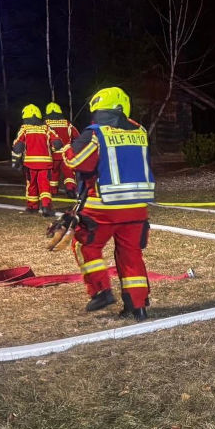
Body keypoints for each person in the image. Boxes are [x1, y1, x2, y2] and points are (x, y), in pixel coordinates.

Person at [62, 86, 155, 321]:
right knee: (131, 254)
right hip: (137, 208)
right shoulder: (140, 130)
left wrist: (64, 150)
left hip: (104, 206)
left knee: (85, 245)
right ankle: (138, 306)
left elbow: (78, 162)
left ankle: (101, 290)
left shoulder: (95, 133)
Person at [11, 104, 63, 216]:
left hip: (30, 164)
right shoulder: (46, 128)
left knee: (32, 185)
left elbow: (18, 145)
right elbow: (57, 142)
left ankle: (32, 207)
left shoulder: (24, 129)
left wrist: (16, 161)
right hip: (46, 164)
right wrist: (52, 149)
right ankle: (46, 207)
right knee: (45, 185)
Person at [44, 101, 80, 197]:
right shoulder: (67, 124)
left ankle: (53, 191)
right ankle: (70, 189)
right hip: (67, 154)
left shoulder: (45, 124)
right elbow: (77, 137)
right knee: (69, 173)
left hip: (52, 154)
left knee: (53, 173)